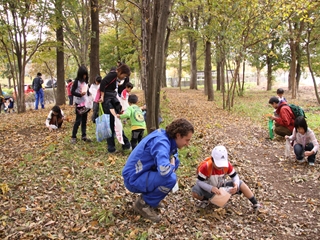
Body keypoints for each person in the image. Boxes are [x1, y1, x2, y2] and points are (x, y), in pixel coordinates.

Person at [122, 118, 194, 222]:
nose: (188, 144)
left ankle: (151, 198)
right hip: (133, 178)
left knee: (175, 161)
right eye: (187, 140)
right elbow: (164, 170)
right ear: (178, 135)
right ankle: (143, 204)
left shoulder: (166, 137)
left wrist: (173, 160)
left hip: (140, 173)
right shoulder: (161, 143)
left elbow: (173, 154)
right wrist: (172, 166)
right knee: (170, 178)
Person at [192, 145, 262, 211]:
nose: (220, 167)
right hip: (208, 189)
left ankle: (255, 203)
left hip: (222, 187)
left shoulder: (227, 165)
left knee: (241, 183)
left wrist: (236, 184)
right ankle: (206, 199)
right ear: (212, 160)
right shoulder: (206, 167)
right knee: (195, 191)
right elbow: (199, 182)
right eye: (218, 164)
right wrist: (211, 188)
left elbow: (235, 176)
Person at [99, 64, 131, 153]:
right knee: (112, 123)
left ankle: (125, 144)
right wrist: (102, 96)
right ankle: (112, 147)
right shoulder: (113, 74)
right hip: (108, 100)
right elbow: (103, 82)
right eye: (123, 76)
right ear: (120, 72)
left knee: (116, 122)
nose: (123, 78)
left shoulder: (115, 77)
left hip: (113, 98)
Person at [70, 65, 91, 144]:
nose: (85, 76)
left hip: (85, 103)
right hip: (79, 103)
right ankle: (73, 136)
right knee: (78, 120)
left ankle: (84, 135)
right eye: (83, 75)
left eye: (86, 75)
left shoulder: (85, 81)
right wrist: (80, 94)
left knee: (84, 120)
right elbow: (72, 92)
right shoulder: (76, 82)